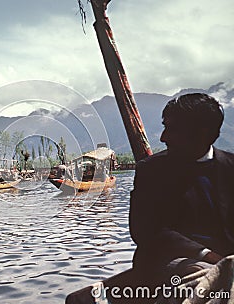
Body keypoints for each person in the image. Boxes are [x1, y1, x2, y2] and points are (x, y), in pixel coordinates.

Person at [66, 93, 234, 303]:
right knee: (202, 275)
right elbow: (146, 231)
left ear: (204, 133)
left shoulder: (230, 167)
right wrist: (208, 256)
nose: (163, 137)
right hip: (168, 264)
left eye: (172, 129)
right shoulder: (151, 170)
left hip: (227, 261)